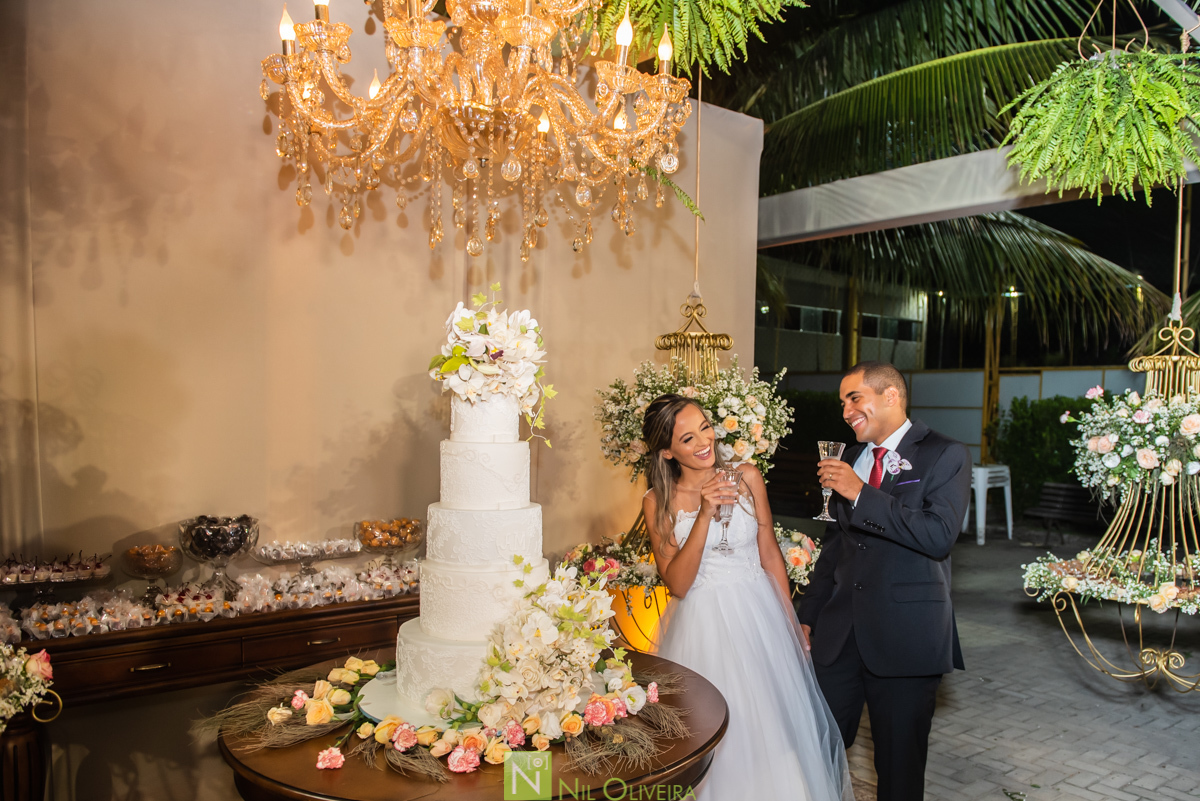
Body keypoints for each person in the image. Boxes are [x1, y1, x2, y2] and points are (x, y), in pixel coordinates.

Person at [643, 394, 853, 801]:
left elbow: (769, 551)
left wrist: (791, 623)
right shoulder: (659, 502)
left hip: (760, 618)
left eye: (704, 427)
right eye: (688, 438)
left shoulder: (748, 476)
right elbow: (679, 584)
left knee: (770, 724)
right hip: (703, 625)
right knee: (713, 729)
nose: (704, 441)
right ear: (667, 452)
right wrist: (704, 512)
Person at [801, 361, 970, 801]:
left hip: (905, 636)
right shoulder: (854, 456)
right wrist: (808, 616)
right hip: (840, 635)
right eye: (841, 403)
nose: (845, 411)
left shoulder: (945, 453)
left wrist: (860, 493)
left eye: (854, 398)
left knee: (898, 768)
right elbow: (835, 547)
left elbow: (937, 536)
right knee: (818, 749)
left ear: (891, 396)